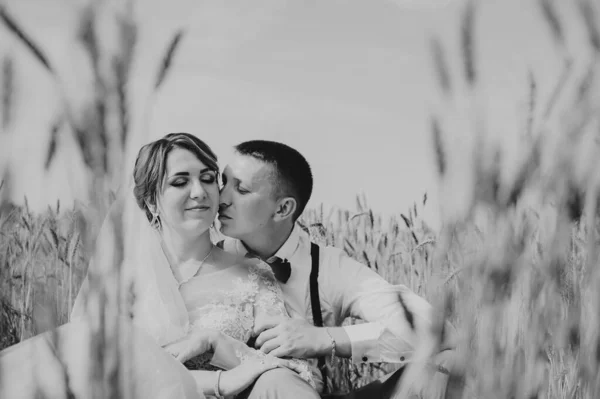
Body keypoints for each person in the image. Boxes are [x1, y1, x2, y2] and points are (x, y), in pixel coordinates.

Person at [0, 133, 314, 399]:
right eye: (180, 182)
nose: (199, 192)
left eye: (208, 179)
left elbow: (298, 373)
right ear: (152, 202)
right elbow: (93, 370)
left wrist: (217, 343)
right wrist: (218, 381)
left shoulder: (251, 276)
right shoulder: (120, 280)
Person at [217, 140, 457, 398]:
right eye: (223, 182)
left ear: (283, 208)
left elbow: (437, 332)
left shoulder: (327, 266)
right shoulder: (205, 257)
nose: (221, 198)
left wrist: (325, 338)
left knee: (449, 367)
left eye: (240, 190)